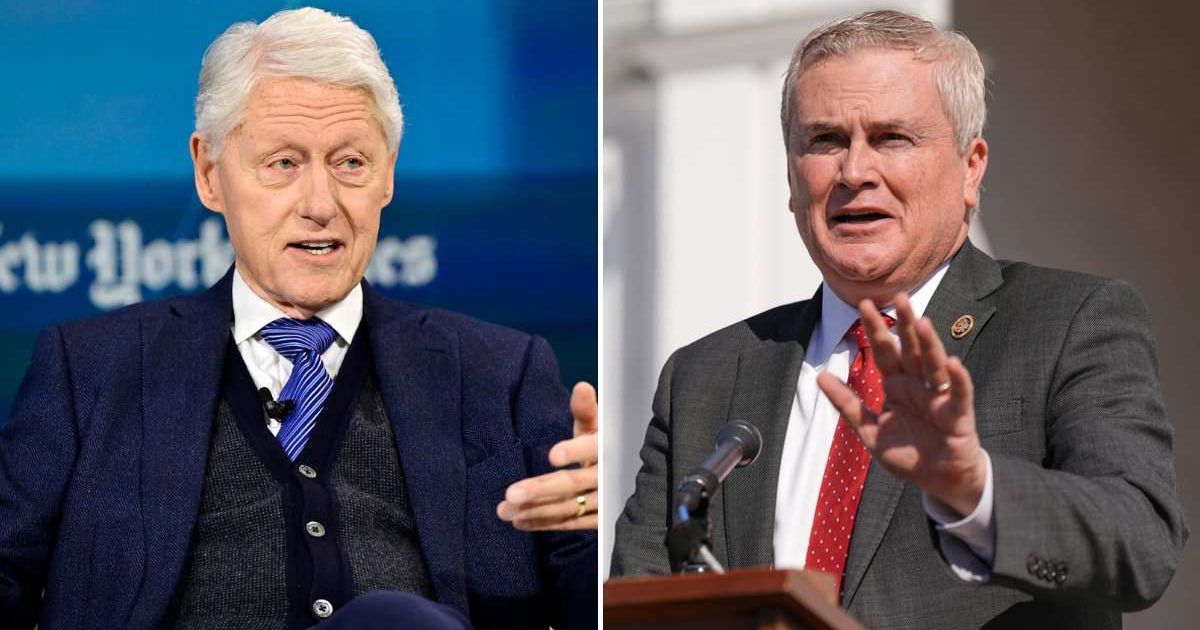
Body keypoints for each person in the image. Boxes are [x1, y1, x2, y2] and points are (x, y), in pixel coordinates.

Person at [0, 8, 596, 630]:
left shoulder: (500, 373)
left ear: (388, 173)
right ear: (209, 172)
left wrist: (593, 528)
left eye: (351, 164)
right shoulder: (91, 369)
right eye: (284, 164)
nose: (320, 205)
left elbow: (594, 600)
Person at [611, 10, 1186, 628]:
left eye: (891, 138)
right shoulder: (705, 377)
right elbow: (639, 600)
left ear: (971, 167)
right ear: (790, 175)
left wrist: (975, 489)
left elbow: (1140, 542)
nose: (854, 173)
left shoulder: (1070, 321)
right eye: (825, 141)